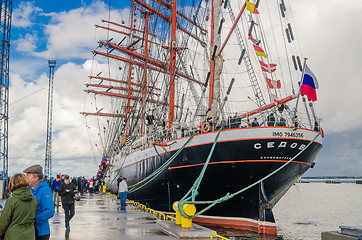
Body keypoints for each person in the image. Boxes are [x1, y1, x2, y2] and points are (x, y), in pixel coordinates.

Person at [0, 173, 38, 240]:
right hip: (30, 235)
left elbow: (3, 223)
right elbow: (34, 217)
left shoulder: (12, 201)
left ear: (12, 184)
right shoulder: (34, 199)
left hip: (13, 236)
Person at [23, 164, 54, 240]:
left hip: (40, 232)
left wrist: (33, 220)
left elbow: (49, 211)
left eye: (28, 176)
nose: (26, 178)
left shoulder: (44, 190)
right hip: (30, 231)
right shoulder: (29, 189)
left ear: (36, 178)